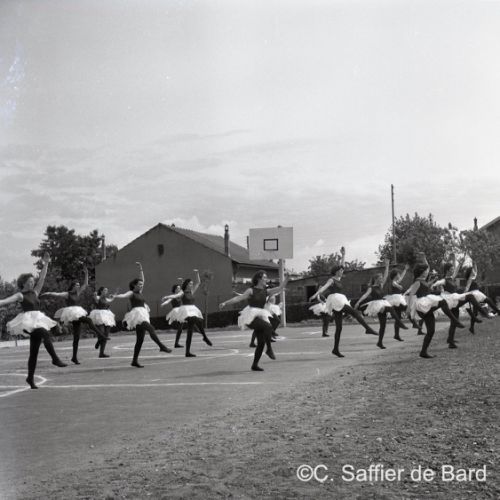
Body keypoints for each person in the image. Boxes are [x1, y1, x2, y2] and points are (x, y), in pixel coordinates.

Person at [1, 253, 66, 389]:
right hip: (29, 322)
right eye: (30, 281)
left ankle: (30, 378)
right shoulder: (20, 295)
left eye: (32, 281)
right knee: (44, 333)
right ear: (23, 283)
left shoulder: (35, 292)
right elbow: (5, 301)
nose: (32, 283)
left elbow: (42, 278)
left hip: (38, 319)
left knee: (34, 352)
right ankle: (55, 359)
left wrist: (46, 263)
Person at [310, 247, 378, 358]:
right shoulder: (332, 279)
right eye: (341, 270)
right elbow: (324, 287)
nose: (342, 271)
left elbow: (342, 266)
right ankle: (368, 329)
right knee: (355, 312)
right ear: (336, 271)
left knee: (339, 327)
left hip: (338, 300)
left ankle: (335, 349)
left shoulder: (338, 279)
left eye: (342, 270)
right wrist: (315, 294)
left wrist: (343, 255)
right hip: (336, 300)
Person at [220, 271, 288, 371]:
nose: (266, 279)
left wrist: (287, 278)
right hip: (250, 315)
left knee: (261, 342)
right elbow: (239, 298)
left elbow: (280, 288)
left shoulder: (266, 291)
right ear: (259, 279)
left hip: (261, 314)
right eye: (265, 277)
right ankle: (269, 349)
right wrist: (225, 303)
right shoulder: (251, 290)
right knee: (268, 326)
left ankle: (254, 365)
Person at [41, 267, 105, 365]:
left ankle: (74, 357)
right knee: (88, 320)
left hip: (78, 312)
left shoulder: (78, 292)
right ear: (73, 286)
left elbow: (85, 284)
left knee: (76, 337)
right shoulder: (67, 294)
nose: (79, 286)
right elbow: (56, 294)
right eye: (77, 285)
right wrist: (47, 293)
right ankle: (101, 336)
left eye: (79, 285)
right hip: (72, 313)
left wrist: (86, 274)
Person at [113, 262, 171, 367]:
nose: (141, 285)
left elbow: (143, 279)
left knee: (140, 340)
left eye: (141, 285)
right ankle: (161, 346)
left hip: (143, 314)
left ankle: (134, 361)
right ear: (134, 285)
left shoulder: (140, 292)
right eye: (139, 284)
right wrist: (115, 296)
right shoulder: (131, 293)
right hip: (137, 315)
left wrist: (141, 269)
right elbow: (124, 295)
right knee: (151, 328)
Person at [407, 262, 464, 358]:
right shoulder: (417, 282)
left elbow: (426, 285)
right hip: (422, 305)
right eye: (426, 271)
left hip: (427, 305)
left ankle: (423, 352)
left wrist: (432, 281)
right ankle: (455, 321)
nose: (427, 272)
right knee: (442, 302)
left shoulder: (423, 280)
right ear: (422, 272)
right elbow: (411, 294)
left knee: (431, 331)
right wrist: (408, 308)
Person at [354, 259, 408, 349]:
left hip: (382, 303)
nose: (382, 279)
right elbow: (365, 295)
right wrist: (358, 302)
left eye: (382, 278)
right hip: (376, 306)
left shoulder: (381, 286)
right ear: (376, 279)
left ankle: (379, 342)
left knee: (383, 325)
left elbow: (386, 276)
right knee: (390, 308)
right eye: (380, 278)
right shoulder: (371, 288)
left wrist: (387, 266)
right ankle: (399, 322)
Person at [161, 270, 212, 357]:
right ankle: (205, 337)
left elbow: (198, 282)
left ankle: (187, 352)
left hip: (193, 309)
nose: (191, 285)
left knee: (190, 331)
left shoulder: (192, 291)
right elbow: (175, 296)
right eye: (190, 284)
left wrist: (197, 273)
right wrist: (166, 297)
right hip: (186, 311)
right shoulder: (182, 292)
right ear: (187, 284)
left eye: (192, 284)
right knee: (195, 320)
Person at [463, 262, 500, 333]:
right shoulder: (470, 279)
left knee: (475, 313)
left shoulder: (473, 277)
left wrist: (475, 264)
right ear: (470, 273)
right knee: (488, 300)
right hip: (474, 294)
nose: (474, 272)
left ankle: (471, 328)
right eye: (472, 271)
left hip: (477, 293)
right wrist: (464, 295)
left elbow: (476, 270)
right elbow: (467, 288)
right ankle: (498, 312)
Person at [383, 263, 410, 341]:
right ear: (395, 275)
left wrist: (405, 269)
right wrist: (399, 286)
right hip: (395, 300)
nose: (399, 275)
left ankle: (396, 335)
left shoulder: (396, 281)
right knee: (406, 309)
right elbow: (397, 285)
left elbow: (401, 277)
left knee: (398, 318)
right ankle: (413, 323)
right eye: (398, 274)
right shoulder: (393, 282)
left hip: (397, 301)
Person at [90, 287, 116, 358]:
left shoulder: (106, 299)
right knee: (101, 332)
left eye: (107, 290)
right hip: (99, 315)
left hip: (107, 315)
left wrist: (113, 296)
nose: (106, 291)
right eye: (105, 290)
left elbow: (111, 299)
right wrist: (95, 295)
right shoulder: (98, 297)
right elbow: (95, 298)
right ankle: (99, 341)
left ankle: (101, 353)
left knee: (106, 334)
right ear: (101, 291)